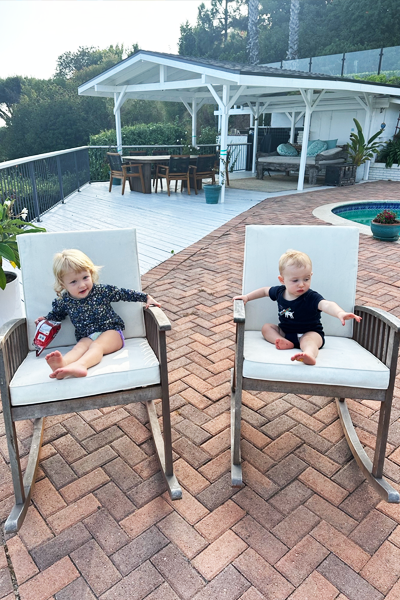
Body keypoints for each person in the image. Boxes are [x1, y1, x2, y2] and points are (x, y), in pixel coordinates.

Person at [35, 249, 160, 379]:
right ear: (63, 284)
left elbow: (124, 293)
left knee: (97, 346)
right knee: (79, 348)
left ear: (91, 273)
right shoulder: (64, 301)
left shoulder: (102, 291)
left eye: (85, 277)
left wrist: (146, 297)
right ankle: (63, 365)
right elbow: (57, 315)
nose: (82, 285)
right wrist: (45, 320)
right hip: (86, 336)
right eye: (73, 282)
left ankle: (81, 365)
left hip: (112, 332)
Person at [233, 249, 361, 365]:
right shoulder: (279, 292)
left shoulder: (311, 297)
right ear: (282, 280)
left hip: (309, 332)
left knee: (309, 340)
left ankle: (308, 355)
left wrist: (340, 313)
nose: (301, 284)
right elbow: (265, 291)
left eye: (306, 279)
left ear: (311, 276)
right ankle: (281, 341)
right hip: (286, 333)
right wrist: (247, 297)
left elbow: (327, 304)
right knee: (266, 328)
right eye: (295, 280)